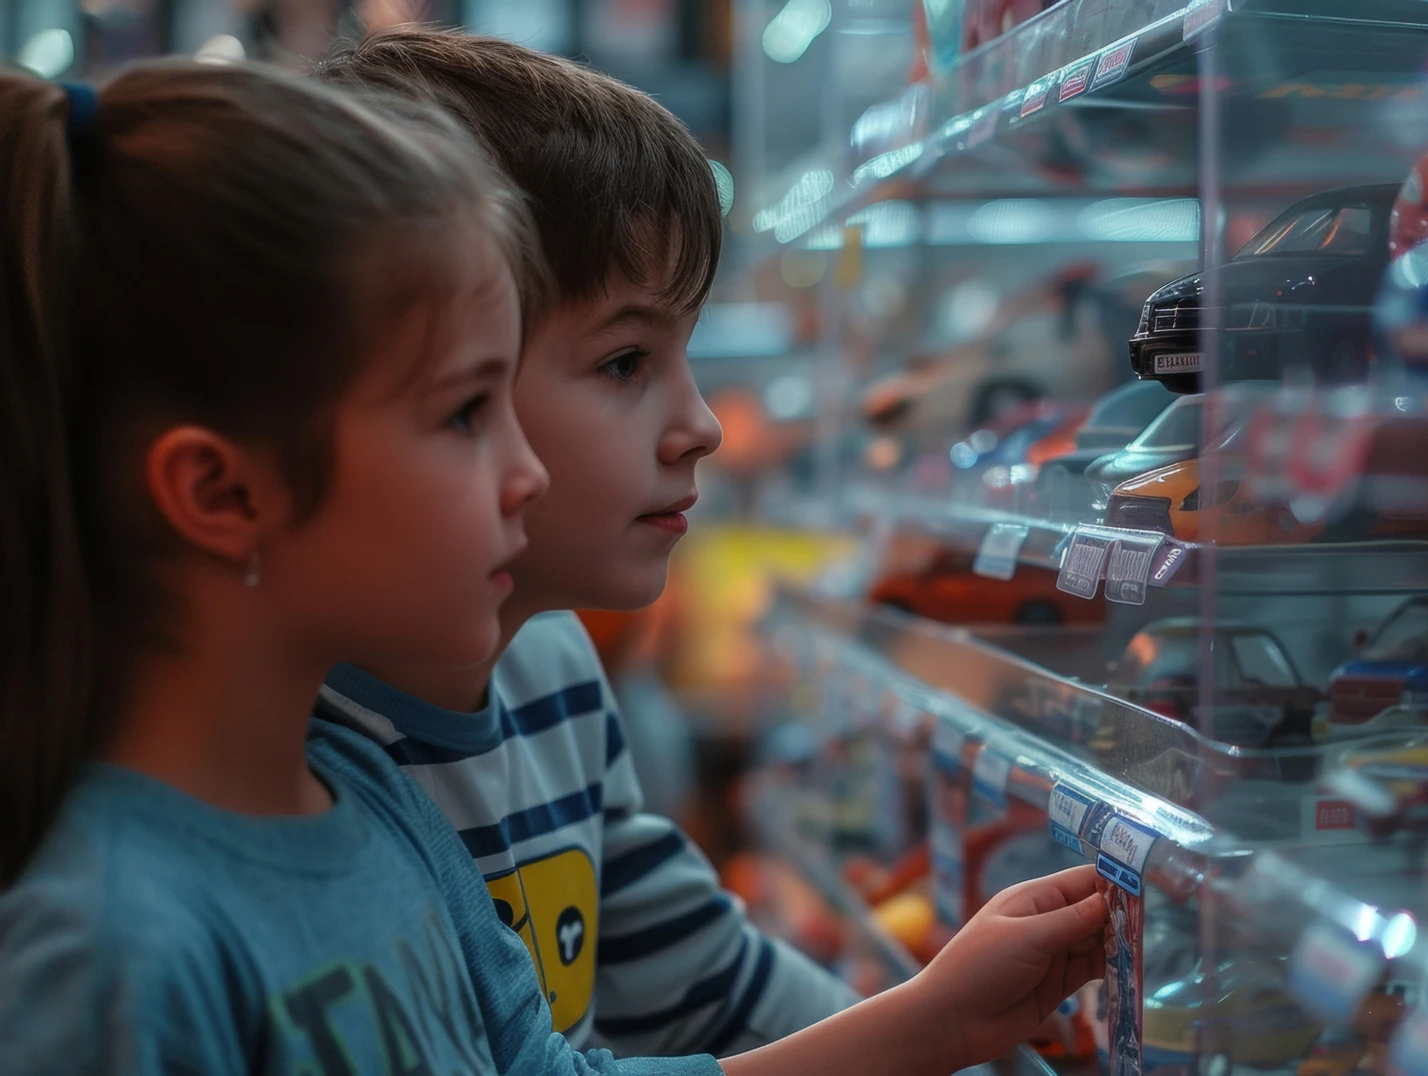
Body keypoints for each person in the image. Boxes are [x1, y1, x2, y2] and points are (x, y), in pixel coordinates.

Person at [0, 61, 1108, 1074]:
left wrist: (944, 1028)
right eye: (467, 411)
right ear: (225, 493)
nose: (521, 472)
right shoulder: (113, 934)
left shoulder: (377, 799)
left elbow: (613, 1026)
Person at [310, 28, 858, 1055]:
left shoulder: (553, 665)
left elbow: (713, 985)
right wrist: (942, 1018)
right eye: (623, 361)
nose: (703, 424)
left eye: (682, 352)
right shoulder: (294, 744)